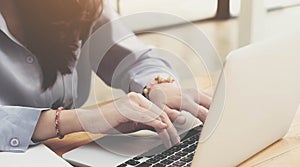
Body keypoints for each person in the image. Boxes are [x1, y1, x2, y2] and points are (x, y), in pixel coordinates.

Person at [0, 0, 211, 152]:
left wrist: (157, 85)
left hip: (61, 150)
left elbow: (132, 57)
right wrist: (84, 119)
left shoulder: (78, 4)